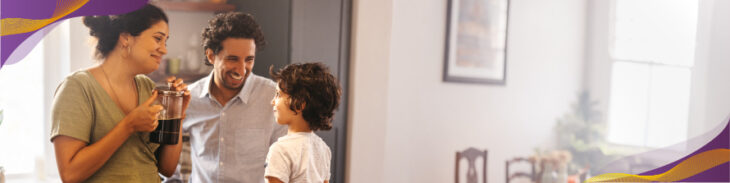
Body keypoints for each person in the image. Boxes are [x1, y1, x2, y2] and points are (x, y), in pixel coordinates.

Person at [50, 4, 190, 183]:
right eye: (157, 39)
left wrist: (176, 114)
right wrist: (128, 126)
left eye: (165, 41)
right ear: (125, 38)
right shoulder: (78, 87)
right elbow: (70, 174)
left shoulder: (148, 87)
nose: (164, 50)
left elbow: (167, 168)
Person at [174, 12, 286, 183]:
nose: (241, 70)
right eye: (232, 59)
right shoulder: (190, 98)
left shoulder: (273, 98)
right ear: (211, 56)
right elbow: (168, 158)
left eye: (249, 60)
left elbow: (287, 162)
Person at [265, 62, 341, 183]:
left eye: (278, 95)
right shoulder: (324, 149)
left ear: (299, 104)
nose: (273, 101)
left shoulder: (280, 150)